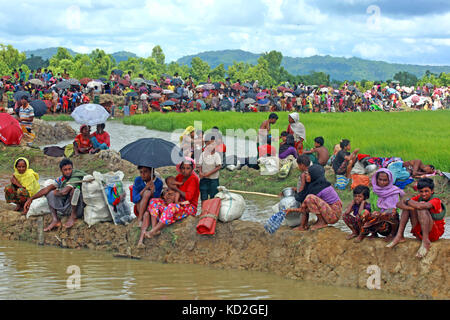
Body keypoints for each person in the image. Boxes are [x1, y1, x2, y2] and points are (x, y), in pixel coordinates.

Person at [138, 157, 199, 245]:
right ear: (180, 168)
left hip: (189, 206)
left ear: (192, 168)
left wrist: (175, 189)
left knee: (171, 207)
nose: (185, 170)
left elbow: (188, 197)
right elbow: (172, 187)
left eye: (188, 168)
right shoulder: (180, 177)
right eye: (183, 168)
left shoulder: (193, 179)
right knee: (154, 201)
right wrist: (168, 191)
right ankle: (155, 228)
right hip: (177, 203)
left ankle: (152, 232)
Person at [387, 178, 446, 258]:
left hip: (433, 233)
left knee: (420, 206)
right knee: (408, 207)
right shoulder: (419, 197)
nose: (423, 194)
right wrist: (409, 206)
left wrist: (407, 201)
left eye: (426, 191)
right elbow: (398, 204)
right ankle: (399, 235)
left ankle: (426, 241)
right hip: (419, 232)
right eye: (421, 191)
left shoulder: (436, 200)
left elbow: (420, 206)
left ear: (432, 191)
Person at [23, 159, 86, 231]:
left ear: (72, 168)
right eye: (65, 170)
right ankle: (55, 220)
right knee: (49, 193)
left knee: (74, 191)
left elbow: (64, 192)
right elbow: (46, 189)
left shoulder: (75, 177)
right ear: (61, 170)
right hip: (67, 205)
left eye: (69, 169)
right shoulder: (61, 178)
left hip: (78, 208)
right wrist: (31, 199)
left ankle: (73, 216)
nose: (68, 172)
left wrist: (57, 192)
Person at [286, 164, 342, 231]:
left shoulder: (319, 188)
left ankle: (322, 222)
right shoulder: (314, 185)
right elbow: (304, 204)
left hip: (333, 215)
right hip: (328, 212)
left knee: (309, 198)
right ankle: (303, 226)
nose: (306, 175)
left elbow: (304, 207)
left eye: (308, 174)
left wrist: (292, 210)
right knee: (307, 200)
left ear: (314, 176)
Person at [355, 168, 403, 242]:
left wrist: (380, 214)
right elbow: (372, 208)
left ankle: (392, 235)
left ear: (389, 180)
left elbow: (396, 210)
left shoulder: (394, 192)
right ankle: (372, 233)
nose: (382, 182)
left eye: (385, 180)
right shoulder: (373, 192)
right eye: (380, 179)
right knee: (364, 212)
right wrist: (374, 213)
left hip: (388, 225)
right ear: (376, 179)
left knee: (391, 212)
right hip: (377, 223)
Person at [198, 134, 222, 201]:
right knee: (203, 196)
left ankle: (212, 210)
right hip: (204, 179)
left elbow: (218, 166)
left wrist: (209, 173)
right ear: (205, 144)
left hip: (213, 180)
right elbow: (200, 165)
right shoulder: (202, 154)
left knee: (213, 196)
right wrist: (200, 172)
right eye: (208, 144)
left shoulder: (216, 155)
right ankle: (203, 210)